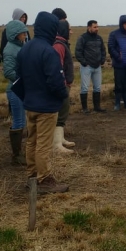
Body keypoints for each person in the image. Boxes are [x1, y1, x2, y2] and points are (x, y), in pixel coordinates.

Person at [17, 11, 69, 194]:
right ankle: (44, 179)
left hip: (30, 104)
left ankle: (32, 176)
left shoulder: (25, 48)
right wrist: (63, 94)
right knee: (43, 145)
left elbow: (19, 76)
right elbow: (56, 81)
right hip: (46, 107)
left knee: (32, 141)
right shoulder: (49, 51)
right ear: (52, 29)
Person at [2, 19, 28, 165]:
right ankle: (16, 155)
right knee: (18, 120)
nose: (25, 35)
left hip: (20, 88)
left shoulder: (19, 46)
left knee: (22, 119)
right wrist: (21, 81)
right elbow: (8, 72)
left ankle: (19, 152)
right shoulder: (10, 49)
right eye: (22, 33)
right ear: (15, 34)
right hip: (15, 90)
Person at [52, 19, 75, 153]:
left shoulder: (62, 43)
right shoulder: (59, 45)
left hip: (65, 83)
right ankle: (56, 144)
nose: (71, 32)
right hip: (62, 84)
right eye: (69, 29)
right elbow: (58, 66)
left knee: (63, 112)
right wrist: (63, 83)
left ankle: (60, 139)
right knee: (61, 112)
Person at [75, 20, 107, 114]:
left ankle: (97, 107)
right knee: (85, 88)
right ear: (89, 27)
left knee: (97, 87)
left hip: (97, 66)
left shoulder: (99, 38)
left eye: (97, 27)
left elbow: (103, 50)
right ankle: (85, 108)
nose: (97, 29)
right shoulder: (83, 38)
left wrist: (102, 60)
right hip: (87, 67)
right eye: (95, 27)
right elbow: (78, 52)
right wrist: (84, 63)